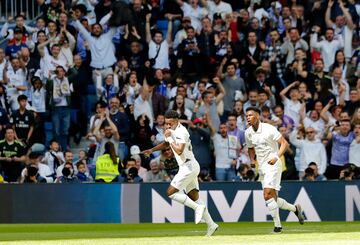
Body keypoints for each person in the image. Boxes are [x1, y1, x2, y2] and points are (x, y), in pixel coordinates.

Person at [141, 110, 218, 236]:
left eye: (170, 123)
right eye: (166, 123)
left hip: (189, 166)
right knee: (194, 197)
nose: (167, 126)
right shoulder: (171, 131)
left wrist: (171, 139)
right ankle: (211, 224)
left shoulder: (182, 132)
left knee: (170, 192)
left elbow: (180, 150)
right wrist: (152, 150)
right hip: (188, 166)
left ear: (176, 121)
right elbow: (166, 144)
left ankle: (197, 208)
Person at [245, 107, 304, 233]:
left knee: (267, 194)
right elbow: (250, 148)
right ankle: (295, 209)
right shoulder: (248, 132)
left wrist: (276, 157)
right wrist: (252, 160)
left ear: (258, 116)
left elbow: (284, 143)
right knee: (273, 198)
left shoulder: (269, 129)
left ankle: (278, 227)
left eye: (251, 115)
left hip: (273, 164)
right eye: (247, 116)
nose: (248, 118)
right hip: (261, 167)